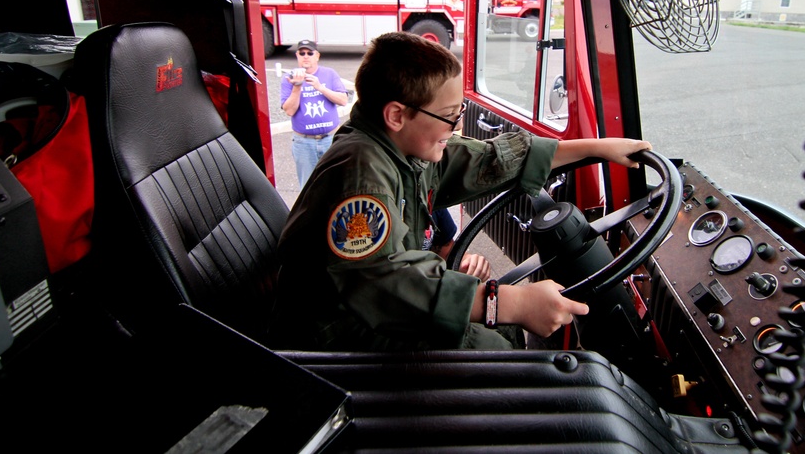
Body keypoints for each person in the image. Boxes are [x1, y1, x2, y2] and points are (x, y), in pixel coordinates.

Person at [268, 31, 652, 352]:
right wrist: (509, 302)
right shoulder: (362, 174)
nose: (455, 126)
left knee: (501, 329)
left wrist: (597, 148)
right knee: (498, 350)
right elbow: (386, 280)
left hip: (366, 311)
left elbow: (488, 160)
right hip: (333, 335)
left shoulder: (403, 149)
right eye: (450, 116)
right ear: (397, 115)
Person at [281, 39, 349, 188]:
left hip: (330, 140)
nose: (306, 56)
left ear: (317, 56)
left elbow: (343, 100)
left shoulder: (329, 74)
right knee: (308, 188)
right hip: (304, 143)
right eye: (302, 53)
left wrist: (320, 87)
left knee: (335, 185)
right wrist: (297, 87)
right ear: (297, 56)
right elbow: (290, 110)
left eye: (310, 53)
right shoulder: (289, 78)